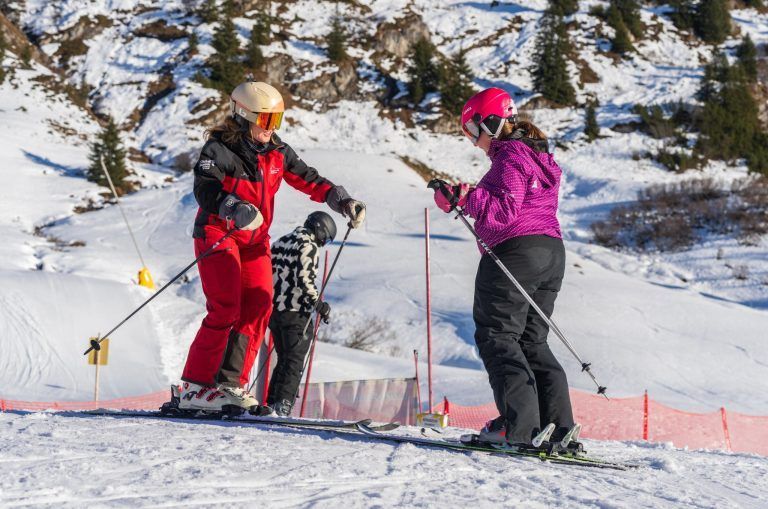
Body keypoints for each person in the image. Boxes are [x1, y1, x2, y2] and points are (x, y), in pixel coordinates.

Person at [177, 81, 365, 412]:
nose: (271, 129)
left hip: (254, 241)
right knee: (225, 307)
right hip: (218, 232)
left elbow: (310, 179)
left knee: (260, 305)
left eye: (276, 121)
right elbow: (205, 188)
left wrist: (342, 199)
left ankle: (229, 384)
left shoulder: (277, 152)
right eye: (266, 121)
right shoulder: (219, 150)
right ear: (243, 115)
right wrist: (232, 207)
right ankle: (194, 386)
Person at [431, 87, 575, 447]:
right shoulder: (537, 157)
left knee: (497, 335)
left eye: (471, 129)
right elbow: (515, 201)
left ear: (490, 122)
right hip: (551, 253)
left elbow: (503, 211)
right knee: (532, 340)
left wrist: (463, 198)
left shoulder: (510, 156)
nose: (471, 139)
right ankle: (555, 427)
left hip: (515, 252)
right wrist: (468, 196)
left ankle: (519, 426)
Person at [261, 211, 336, 417]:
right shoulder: (308, 245)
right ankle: (283, 405)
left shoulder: (281, 241)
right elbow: (305, 279)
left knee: (284, 358)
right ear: (320, 229)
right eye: (326, 238)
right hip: (296, 311)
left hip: (275, 311)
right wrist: (318, 304)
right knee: (294, 360)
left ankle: (272, 402)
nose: (323, 243)